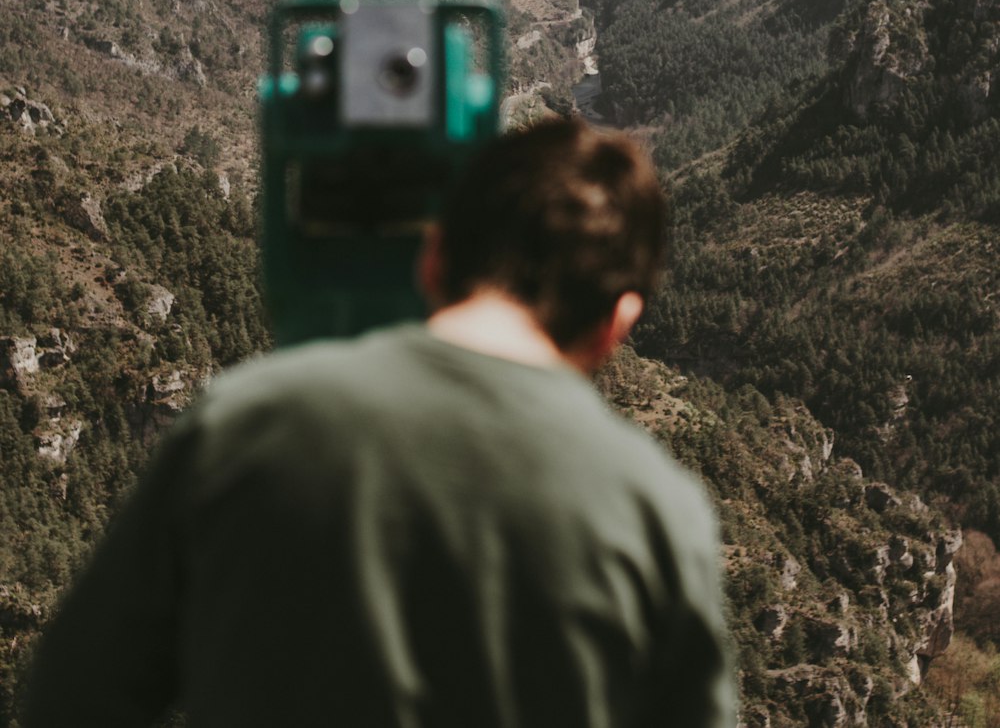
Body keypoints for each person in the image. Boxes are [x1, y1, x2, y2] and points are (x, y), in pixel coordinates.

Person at [23, 117, 736, 728]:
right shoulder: (659, 513)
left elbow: (68, 700)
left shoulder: (241, 425)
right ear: (619, 321)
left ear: (434, 259)